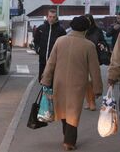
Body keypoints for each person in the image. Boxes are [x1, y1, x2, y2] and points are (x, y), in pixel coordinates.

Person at [41, 16, 103, 151]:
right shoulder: (89, 45)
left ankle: (67, 137)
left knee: (63, 111)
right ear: (86, 29)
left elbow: (51, 63)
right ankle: (69, 142)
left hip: (60, 82)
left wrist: (45, 80)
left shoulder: (60, 41)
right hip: (78, 85)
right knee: (73, 113)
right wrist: (97, 89)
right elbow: (95, 70)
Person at [33, 9, 66, 81]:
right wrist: (38, 49)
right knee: (42, 80)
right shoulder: (41, 28)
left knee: (53, 81)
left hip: (55, 62)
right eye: (50, 16)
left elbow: (64, 45)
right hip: (43, 60)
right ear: (47, 17)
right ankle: (44, 91)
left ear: (56, 17)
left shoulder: (61, 30)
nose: (51, 19)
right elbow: (36, 41)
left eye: (54, 17)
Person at [84, 14, 108, 111]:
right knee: (86, 81)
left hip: (95, 58)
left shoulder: (97, 31)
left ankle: (92, 100)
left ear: (92, 21)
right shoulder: (82, 31)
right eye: (86, 21)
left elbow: (103, 41)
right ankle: (89, 100)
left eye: (89, 20)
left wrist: (101, 44)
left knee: (92, 80)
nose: (87, 23)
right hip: (83, 58)